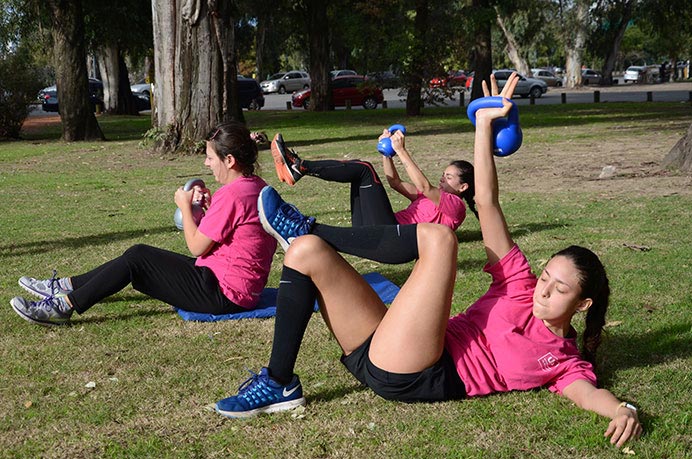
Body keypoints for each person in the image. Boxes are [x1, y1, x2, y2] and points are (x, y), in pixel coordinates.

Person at [214, 73, 642, 448]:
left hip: (423, 373)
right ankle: (279, 381)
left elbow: (587, 393)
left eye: (559, 288)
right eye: (546, 275)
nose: (542, 290)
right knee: (305, 255)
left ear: (583, 304)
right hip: (385, 346)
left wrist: (621, 409)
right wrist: (483, 125)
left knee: (440, 239)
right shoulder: (518, 284)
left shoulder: (564, 358)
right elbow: (487, 203)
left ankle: (309, 226)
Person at [10, 121, 277, 327]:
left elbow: (197, 247)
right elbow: (229, 238)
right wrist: (208, 209)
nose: (206, 163)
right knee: (135, 257)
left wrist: (185, 208)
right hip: (230, 286)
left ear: (229, 160)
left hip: (225, 295)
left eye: (210, 157)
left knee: (138, 257)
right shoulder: (253, 187)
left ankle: (63, 307)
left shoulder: (232, 195)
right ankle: (65, 287)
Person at [269, 129, 477, 231]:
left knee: (364, 169)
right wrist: (386, 153)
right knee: (359, 171)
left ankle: (300, 166)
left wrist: (401, 150)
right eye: (443, 175)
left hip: (394, 237)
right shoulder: (428, 197)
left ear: (463, 186)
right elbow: (394, 182)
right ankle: (298, 167)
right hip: (378, 229)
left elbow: (424, 185)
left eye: (448, 177)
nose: (442, 179)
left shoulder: (455, 207)